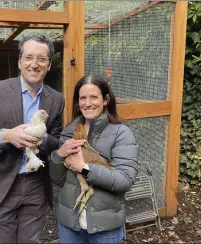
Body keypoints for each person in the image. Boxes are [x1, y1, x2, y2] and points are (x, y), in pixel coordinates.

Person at [0, 34, 64, 243]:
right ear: (20, 61)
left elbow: (57, 141)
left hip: (36, 184)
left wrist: (43, 139)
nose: (34, 64)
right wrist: (7, 136)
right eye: (29, 57)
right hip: (1, 184)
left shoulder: (56, 99)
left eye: (42, 59)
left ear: (49, 65)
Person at [49, 74, 139, 244]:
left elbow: (124, 180)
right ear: (78, 102)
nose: (87, 103)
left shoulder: (121, 133)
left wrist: (84, 168)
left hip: (105, 226)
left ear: (105, 100)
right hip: (70, 223)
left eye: (93, 97)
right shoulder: (70, 131)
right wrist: (60, 154)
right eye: (82, 98)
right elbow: (58, 179)